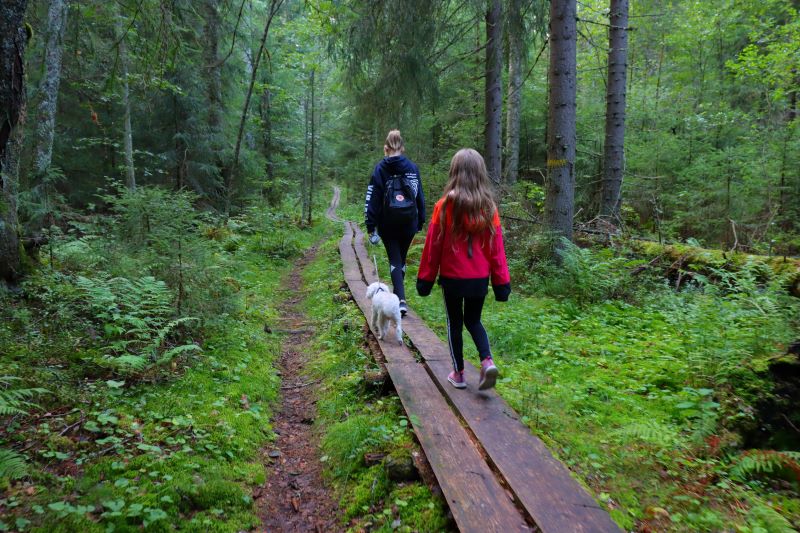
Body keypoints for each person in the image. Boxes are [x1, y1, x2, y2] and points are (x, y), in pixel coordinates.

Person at [416, 148, 511, 390]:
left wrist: (425, 279)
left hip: (453, 279)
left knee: (455, 324)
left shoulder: (444, 206)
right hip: (479, 279)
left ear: (454, 172)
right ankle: (487, 360)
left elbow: (432, 247)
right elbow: (496, 250)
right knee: (474, 320)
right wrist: (501, 283)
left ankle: (458, 374)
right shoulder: (489, 208)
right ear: (480, 173)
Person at [364, 130, 425, 317]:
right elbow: (418, 195)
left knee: (395, 260)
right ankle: (400, 297)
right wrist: (421, 219)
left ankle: (400, 300)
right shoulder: (412, 168)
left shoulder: (380, 169)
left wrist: (370, 225)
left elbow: (372, 198)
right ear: (402, 148)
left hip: (388, 223)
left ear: (386, 148)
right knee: (401, 259)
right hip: (409, 222)